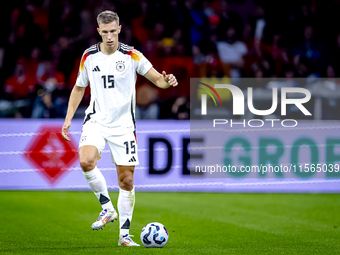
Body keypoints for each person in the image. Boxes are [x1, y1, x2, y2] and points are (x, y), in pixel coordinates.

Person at [61, 10, 178, 247]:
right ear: (98, 32)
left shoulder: (132, 55)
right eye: (105, 32)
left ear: (119, 29)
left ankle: (124, 236)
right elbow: (78, 88)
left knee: (126, 181)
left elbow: (157, 79)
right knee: (86, 160)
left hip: (124, 127)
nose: (110, 37)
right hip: (96, 121)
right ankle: (107, 208)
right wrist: (68, 119)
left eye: (113, 31)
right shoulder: (89, 56)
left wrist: (168, 81)